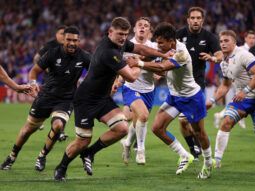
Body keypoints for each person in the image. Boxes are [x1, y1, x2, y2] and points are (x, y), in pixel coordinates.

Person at [53, 17, 170, 181]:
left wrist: (162, 53)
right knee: (83, 141)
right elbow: (130, 77)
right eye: (120, 34)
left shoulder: (119, 45)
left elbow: (141, 49)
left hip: (102, 98)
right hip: (86, 100)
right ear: (110, 32)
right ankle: (61, 168)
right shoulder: (109, 52)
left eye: (125, 34)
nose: (123, 38)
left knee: (121, 129)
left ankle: (89, 154)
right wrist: (140, 63)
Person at [129, 22, 213, 179]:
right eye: (158, 42)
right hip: (175, 96)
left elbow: (162, 68)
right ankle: (184, 155)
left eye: (161, 43)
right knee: (157, 127)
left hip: (191, 97)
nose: (158, 46)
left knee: (199, 133)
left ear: (171, 41)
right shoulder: (165, 49)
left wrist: (139, 63)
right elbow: (150, 54)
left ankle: (208, 163)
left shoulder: (181, 53)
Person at [0, 26, 91, 172]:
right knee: (27, 131)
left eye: (75, 40)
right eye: (69, 40)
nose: (72, 43)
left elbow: (96, 71)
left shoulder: (85, 56)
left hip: (66, 100)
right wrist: (33, 83)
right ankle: (12, 156)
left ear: (79, 41)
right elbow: (34, 72)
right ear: (64, 40)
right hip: (46, 97)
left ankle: (42, 156)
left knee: (58, 126)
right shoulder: (52, 53)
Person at [206, 30, 255, 168]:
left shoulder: (244, 55)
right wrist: (212, 101)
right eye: (221, 41)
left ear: (234, 42)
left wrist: (245, 91)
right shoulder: (224, 62)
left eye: (226, 41)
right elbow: (225, 85)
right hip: (241, 100)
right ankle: (216, 161)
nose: (223, 44)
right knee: (226, 122)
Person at [176, 7, 223, 160]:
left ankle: (202, 148)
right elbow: (167, 51)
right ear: (188, 19)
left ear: (202, 20)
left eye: (198, 18)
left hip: (197, 85)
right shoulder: (179, 35)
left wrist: (213, 59)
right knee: (183, 121)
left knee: (196, 124)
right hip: (179, 85)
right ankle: (193, 150)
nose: (195, 20)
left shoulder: (209, 37)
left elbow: (220, 55)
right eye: (193, 18)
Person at [120, 17, 156, 165]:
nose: (142, 27)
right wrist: (117, 81)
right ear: (134, 29)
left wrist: (158, 72)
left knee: (138, 122)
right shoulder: (126, 46)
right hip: (131, 88)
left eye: (146, 26)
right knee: (144, 115)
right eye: (139, 25)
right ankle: (140, 151)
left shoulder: (154, 47)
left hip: (149, 90)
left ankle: (127, 143)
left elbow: (160, 69)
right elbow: (119, 67)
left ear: (149, 31)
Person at [214, 30, 255, 129]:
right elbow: (224, 59)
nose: (252, 40)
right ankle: (227, 116)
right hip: (238, 80)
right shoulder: (240, 50)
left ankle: (222, 115)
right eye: (249, 38)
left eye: (253, 38)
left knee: (240, 100)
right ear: (245, 39)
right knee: (240, 98)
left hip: (251, 82)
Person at [33, 25, 67, 138]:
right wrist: (46, 68)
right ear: (56, 34)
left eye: (65, 33)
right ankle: (38, 120)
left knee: (63, 104)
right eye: (61, 33)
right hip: (50, 80)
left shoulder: (68, 46)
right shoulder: (49, 45)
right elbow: (36, 58)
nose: (63, 36)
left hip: (63, 81)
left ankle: (60, 130)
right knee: (44, 101)